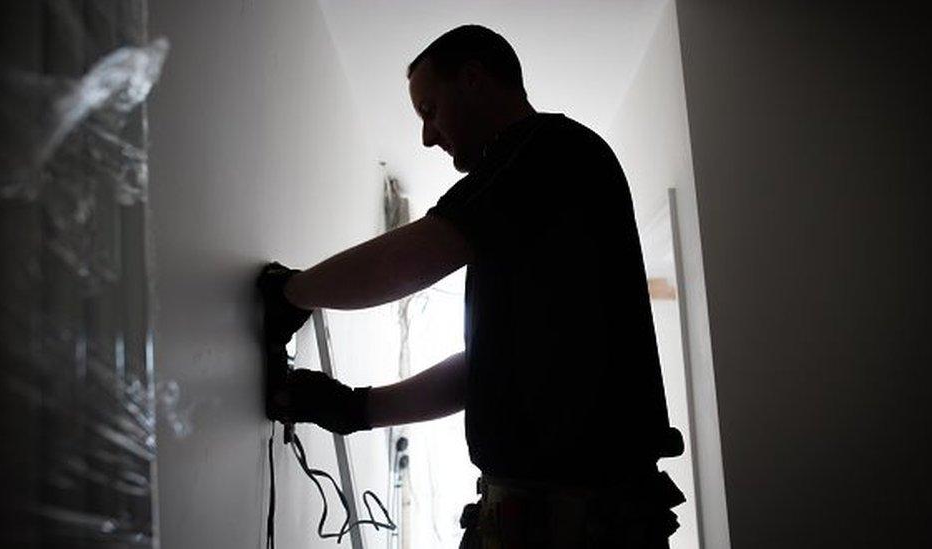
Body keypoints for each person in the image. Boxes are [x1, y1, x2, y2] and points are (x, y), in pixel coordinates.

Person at [257, 24, 686, 548]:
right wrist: (354, 408)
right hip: (557, 513)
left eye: (429, 110)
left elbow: (419, 256)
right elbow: (488, 366)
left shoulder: (546, 149)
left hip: (572, 521)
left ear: (473, 80)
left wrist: (291, 292)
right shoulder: (534, 208)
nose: (426, 136)